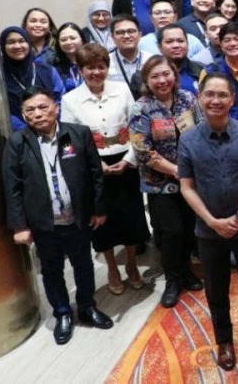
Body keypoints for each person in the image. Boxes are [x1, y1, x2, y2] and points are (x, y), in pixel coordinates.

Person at [1, 86, 112, 344]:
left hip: (78, 217)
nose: (38, 114)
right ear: (24, 114)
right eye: (30, 110)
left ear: (55, 107)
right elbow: (12, 187)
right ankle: (62, 312)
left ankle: (87, 307)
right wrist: (19, 226)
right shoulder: (18, 143)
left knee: (83, 265)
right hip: (43, 223)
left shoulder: (75, 134)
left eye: (43, 107)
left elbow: (95, 174)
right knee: (51, 271)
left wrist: (98, 209)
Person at [177, 73, 238, 370]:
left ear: (232, 99)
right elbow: (186, 186)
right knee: (216, 289)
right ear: (200, 98)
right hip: (208, 230)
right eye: (210, 95)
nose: (216, 100)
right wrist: (213, 221)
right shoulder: (189, 139)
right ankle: (224, 341)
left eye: (222, 95)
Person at [61, 44, 148, 295]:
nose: (96, 72)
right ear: (81, 70)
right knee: (102, 222)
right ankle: (112, 267)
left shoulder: (121, 91)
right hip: (93, 164)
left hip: (124, 160)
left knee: (131, 216)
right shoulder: (70, 99)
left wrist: (130, 158)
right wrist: (92, 165)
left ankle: (131, 264)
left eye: (101, 67)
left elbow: (137, 126)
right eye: (90, 68)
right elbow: (67, 141)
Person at [130, 55, 205, 308]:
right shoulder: (141, 107)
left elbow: (203, 130)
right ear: (146, 81)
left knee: (189, 228)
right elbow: (143, 151)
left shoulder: (188, 99)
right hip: (160, 183)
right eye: (155, 76)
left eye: (166, 74)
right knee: (171, 232)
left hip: (192, 179)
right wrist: (176, 170)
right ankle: (172, 280)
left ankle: (186, 272)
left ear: (174, 74)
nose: (162, 80)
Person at [1, 27, 64, 124]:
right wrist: (24, 130)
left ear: (29, 44)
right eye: (11, 42)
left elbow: (60, 100)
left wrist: (49, 123)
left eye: (22, 41)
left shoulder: (48, 71)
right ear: (3, 47)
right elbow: (1, 110)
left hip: (52, 128)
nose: (17, 46)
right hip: (17, 133)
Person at [106, 15, 153, 98]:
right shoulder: (106, 63)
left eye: (131, 31)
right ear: (112, 37)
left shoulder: (151, 60)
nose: (126, 36)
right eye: (120, 32)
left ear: (140, 35)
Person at [53, 23, 85, 92]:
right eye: (64, 40)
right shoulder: (53, 65)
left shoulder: (92, 60)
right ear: (58, 43)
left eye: (73, 38)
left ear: (81, 39)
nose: (69, 42)